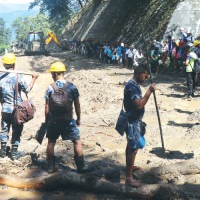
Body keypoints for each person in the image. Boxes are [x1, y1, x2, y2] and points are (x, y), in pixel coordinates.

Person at [44, 62, 91, 173]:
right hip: (68, 120)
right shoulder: (72, 87)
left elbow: (46, 106)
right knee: (77, 142)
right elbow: (77, 105)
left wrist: (47, 121)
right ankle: (81, 167)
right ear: (63, 72)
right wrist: (78, 118)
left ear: (55, 73)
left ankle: (51, 167)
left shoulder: (50, 88)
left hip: (54, 121)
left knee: (51, 142)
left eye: (52, 73)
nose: (51, 75)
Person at [0, 53, 39, 160]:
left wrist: (3, 105)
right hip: (16, 110)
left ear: (4, 64)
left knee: (4, 128)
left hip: (4, 108)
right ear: (14, 63)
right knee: (16, 130)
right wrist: (34, 78)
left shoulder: (0, 77)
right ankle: (14, 153)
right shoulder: (18, 76)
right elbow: (27, 90)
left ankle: (2, 151)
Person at [123, 64, 156, 187]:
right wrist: (149, 92)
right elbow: (139, 105)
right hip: (132, 121)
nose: (146, 79)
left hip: (134, 120)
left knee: (131, 145)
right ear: (139, 73)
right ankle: (129, 178)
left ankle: (129, 168)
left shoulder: (134, 85)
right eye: (145, 76)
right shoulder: (132, 86)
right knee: (133, 148)